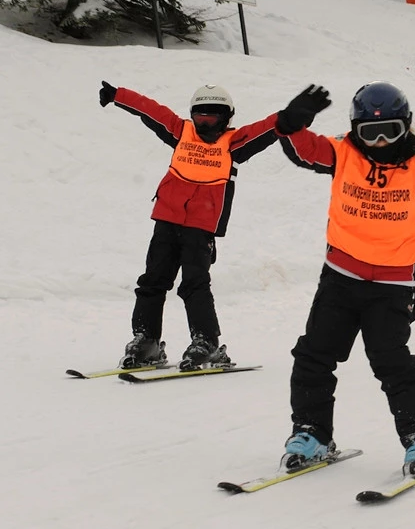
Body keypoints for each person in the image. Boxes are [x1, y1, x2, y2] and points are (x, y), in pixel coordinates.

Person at [276, 82, 415, 476]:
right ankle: (312, 432)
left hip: (391, 285)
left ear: (406, 126)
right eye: (371, 133)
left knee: (392, 363)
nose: (382, 142)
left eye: (391, 130)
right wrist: (292, 122)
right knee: (314, 356)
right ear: (355, 130)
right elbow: (304, 150)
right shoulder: (342, 152)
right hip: (340, 276)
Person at [100, 82, 281, 370]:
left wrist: (295, 115)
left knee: (195, 284)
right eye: (200, 116)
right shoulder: (181, 132)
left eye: (213, 117)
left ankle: (205, 342)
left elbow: (266, 128)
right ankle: (146, 339)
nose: (205, 123)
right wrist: (118, 96)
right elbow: (152, 111)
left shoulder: (233, 144)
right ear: (191, 116)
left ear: (227, 118)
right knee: (152, 281)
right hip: (168, 219)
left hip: (200, 225)